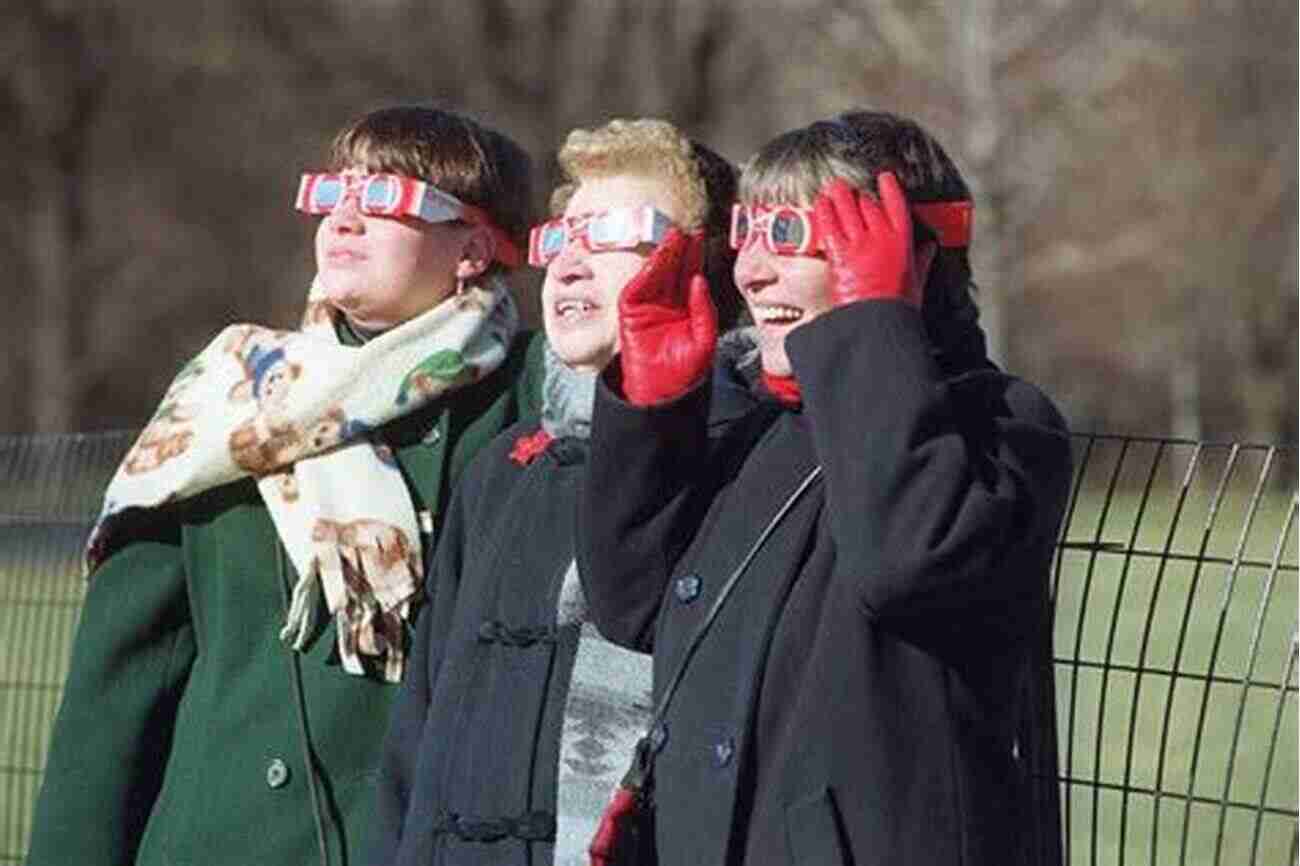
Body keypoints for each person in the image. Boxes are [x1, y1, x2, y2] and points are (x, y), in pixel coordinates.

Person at [26, 105, 545, 866]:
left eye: (384, 201)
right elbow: (116, 690)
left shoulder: (530, 401)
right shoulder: (227, 396)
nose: (345, 218)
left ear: (472, 247)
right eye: (334, 195)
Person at [577, 110, 1074, 865]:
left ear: (906, 257)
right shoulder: (764, 429)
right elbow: (633, 605)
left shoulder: (1003, 422)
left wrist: (876, 326)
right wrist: (655, 417)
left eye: (789, 236)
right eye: (748, 233)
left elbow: (907, 562)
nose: (749, 271)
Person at [368, 117, 742, 866]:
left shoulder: (745, 460)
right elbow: (419, 742)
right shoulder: (506, 468)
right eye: (561, 239)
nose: (569, 265)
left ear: (699, 258)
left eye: (611, 235)